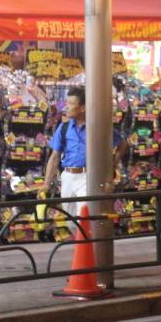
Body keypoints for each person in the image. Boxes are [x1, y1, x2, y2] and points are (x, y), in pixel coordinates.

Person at [42, 87, 121, 222]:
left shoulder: (97, 127)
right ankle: (83, 241)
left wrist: (112, 166)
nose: (66, 107)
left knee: (83, 217)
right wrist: (46, 184)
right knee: (70, 220)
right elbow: (55, 157)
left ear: (83, 108)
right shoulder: (64, 127)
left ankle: (89, 241)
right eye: (66, 103)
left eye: (71, 104)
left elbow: (121, 144)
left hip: (88, 177)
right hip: (67, 176)